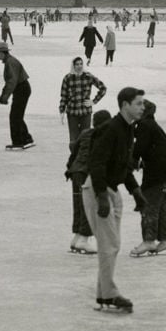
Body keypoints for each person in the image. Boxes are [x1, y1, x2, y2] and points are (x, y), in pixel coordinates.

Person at [83, 87, 148, 313]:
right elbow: (97, 162)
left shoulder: (128, 130)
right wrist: (101, 196)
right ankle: (109, 294)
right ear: (124, 105)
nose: (143, 107)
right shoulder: (110, 129)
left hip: (111, 190)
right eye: (138, 103)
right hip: (98, 190)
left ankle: (104, 294)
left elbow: (123, 166)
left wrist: (135, 191)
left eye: (143, 103)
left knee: (111, 245)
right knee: (109, 245)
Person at [129, 99, 166, 256]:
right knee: (160, 206)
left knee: (149, 205)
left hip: (161, 173)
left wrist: (130, 164)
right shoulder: (148, 125)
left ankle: (148, 241)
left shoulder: (146, 126)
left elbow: (138, 148)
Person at [65, 109, 111, 255]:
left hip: (75, 172)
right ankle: (84, 240)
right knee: (89, 206)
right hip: (86, 173)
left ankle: (77, 237)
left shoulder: (85, 133)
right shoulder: (105, 137)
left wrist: (69, 168)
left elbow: (74, 151)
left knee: (79, 204)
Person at [58, 57, 107, 147]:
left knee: (86, 139)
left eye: (81, 64)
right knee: (73, 141)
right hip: (72, 112)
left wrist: (94, 101)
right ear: (73, 66)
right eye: (77, 64)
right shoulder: (67, 78)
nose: (79, 66)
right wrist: (61, 110)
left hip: (85, 112)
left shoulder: (88, 76)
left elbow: (103, 88)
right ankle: (75, 158)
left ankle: (83, 159)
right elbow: (64, 95)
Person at [0, 41, 34, 150]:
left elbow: (12, 81)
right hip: (21, 89)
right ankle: (26, 138)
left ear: (3, 52)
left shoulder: (10, 62)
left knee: (15, 116)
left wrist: (4, 96)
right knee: (17, 115)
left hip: (21, 89)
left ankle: (18, 141)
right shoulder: (9, 61)